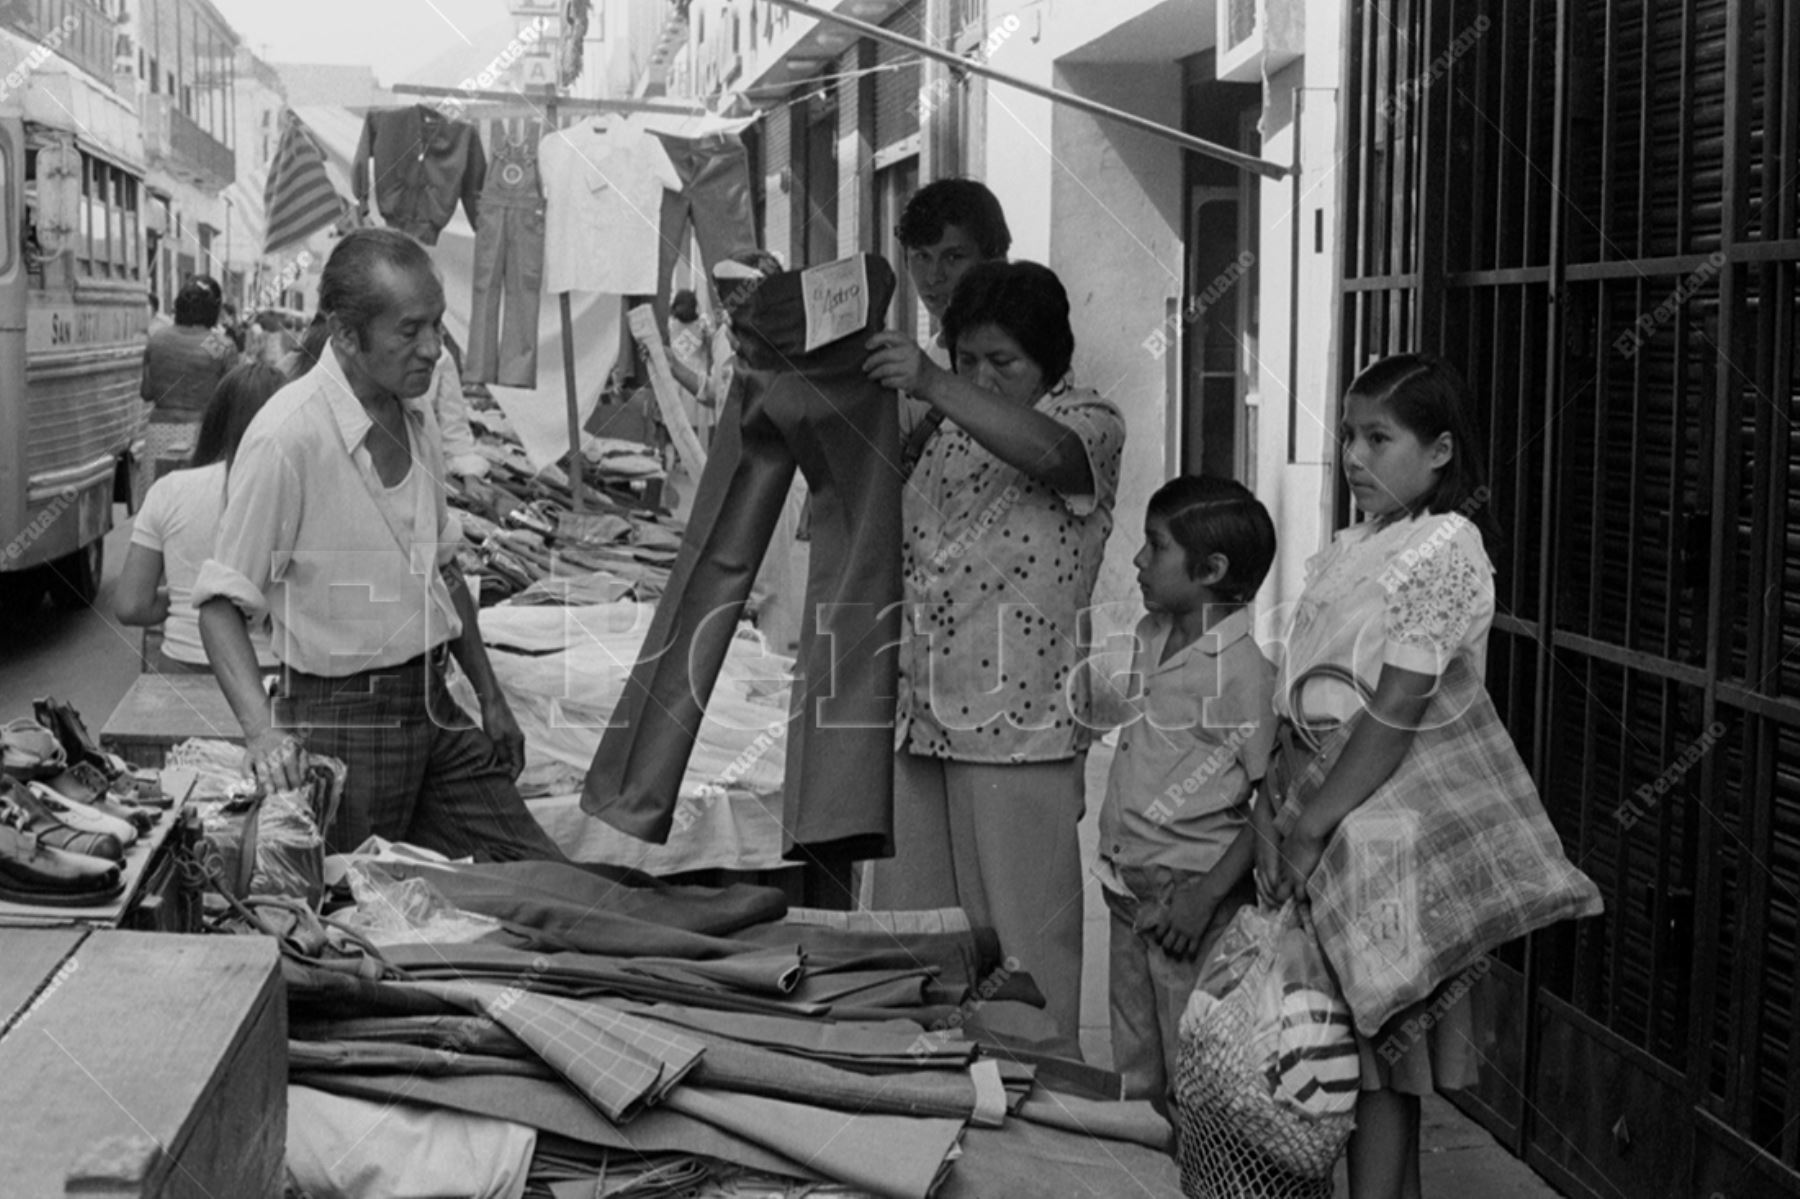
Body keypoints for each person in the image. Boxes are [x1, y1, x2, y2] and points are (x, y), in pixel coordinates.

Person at [193, 228, 565, 863]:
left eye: (438, 327)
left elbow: (443, 572)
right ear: (345, 334)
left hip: (433, 705)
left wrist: (492, 699)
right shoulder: (287, 438)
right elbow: (220, 605)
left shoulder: (417, 422)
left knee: (541, 878)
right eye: (410, 330)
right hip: (342, 721)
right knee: (360, 908)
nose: (432, 350)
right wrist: (262, 733)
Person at [863, 260, 1126, 1054]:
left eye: (1002, 362)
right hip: (922, 718)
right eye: (966, 357)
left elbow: (1050, 456)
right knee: (920, 946)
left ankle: (1041, 1118)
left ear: (1051, 359)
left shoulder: (1088, 420)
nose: (980, 376)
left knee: (1023, 958)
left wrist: (938, 384)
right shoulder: (941, 429)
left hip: (1022, 730)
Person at [1260, 353, 1499, 1198]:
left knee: (1381, 1061)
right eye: (1349, 436)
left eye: (1379, 438)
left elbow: (1399, 701)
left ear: (1438, 452)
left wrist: (1314, 818)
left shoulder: (1444, 543)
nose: (1354, 457)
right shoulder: (1352, 547)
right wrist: (1279, 801)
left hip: (1380, 821)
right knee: (1337, 1045)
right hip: (1324, 806)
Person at [1097, 475, 1277, 1104]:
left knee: (1196, 1075)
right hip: (1129, 890)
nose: (1139, 561)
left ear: (1211, 569)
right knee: (1137, 1067)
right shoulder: (1152, 633)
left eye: (1155, 546)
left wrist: (1206, 897)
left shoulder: (1244, 673)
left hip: (1188, 902)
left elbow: (1272, 798)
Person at [116, 364, 287, 673]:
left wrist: (188, 598)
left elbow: (132, 605)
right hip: (274, 674)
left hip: (182, 669)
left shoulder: (169, 491)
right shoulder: (302, 492)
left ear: (214, 421)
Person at [893, 178, 1011, 472]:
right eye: (921, 256)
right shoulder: (926, 357)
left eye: (954, 257)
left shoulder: (1028, 357)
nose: (933, 277)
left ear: (995, 259)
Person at [140, 278, 236, 471]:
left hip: (158, 434)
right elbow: (231, 400)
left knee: (158, 497)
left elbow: (146, 392)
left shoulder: (157, 340)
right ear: (213, 311)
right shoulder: (220, 346)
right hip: (202, 436)